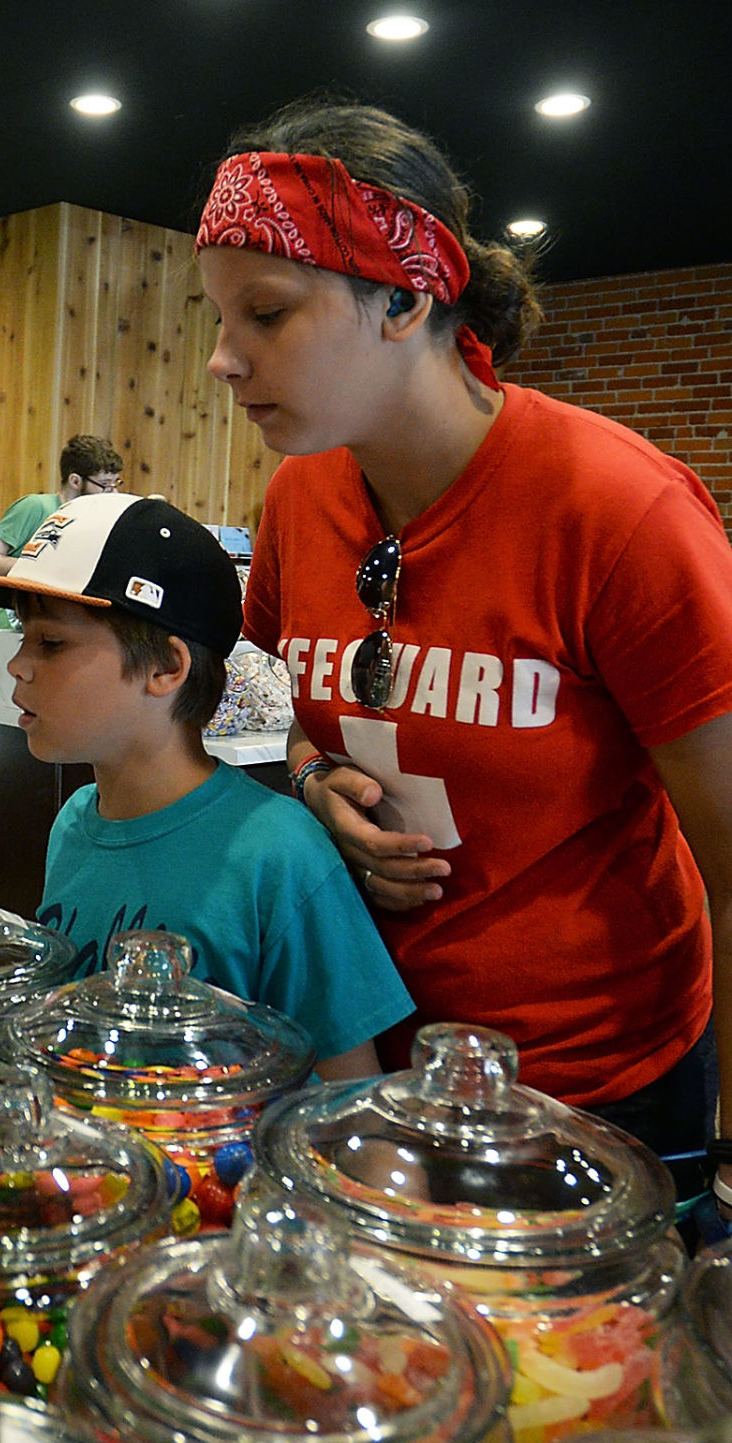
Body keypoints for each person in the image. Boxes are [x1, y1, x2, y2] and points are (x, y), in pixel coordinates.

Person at [194, 94, 732, 1201]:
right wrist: (308, 777)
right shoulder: (301, 497)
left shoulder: (616, 509)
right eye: (217, 320)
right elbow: (288, 701)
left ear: (401, 299)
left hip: (596, 1089)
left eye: (267, 314)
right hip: (370, 1063)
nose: (222, 360)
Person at [0, 492, 414, 1080]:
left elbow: (349, 1096)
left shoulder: (279, 854)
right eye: (22, 637)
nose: (16, 665)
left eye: (50, 644)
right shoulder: (77, 819)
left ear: (166, 668)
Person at [0, 433, 123, 689]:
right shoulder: (37, 507)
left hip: (31, 644)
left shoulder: (89, 523)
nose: (113, 492)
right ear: (76, 480)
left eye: (116, 483)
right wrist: (41, 567)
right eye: (105, 485)